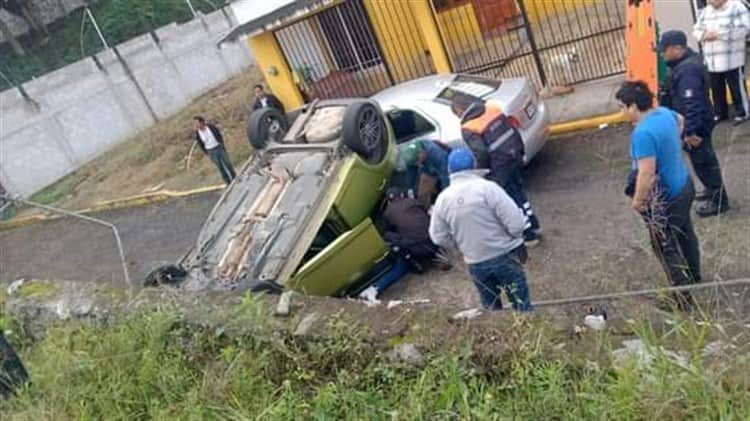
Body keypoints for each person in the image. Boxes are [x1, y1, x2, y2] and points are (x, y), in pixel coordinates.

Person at [617, 81, 701, 310]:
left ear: (633, 106)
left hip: (667, 199)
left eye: (622, 107)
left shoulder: (642, 133)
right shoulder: (663, 113)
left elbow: (646, 172)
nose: (621, 112)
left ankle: (683, 301)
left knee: (665, 247)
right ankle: (695, 278)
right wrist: (673, 143)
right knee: (686, 234)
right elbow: (681, 121)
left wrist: (638, 201)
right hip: (684, 185)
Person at [429, 148, 532, 312]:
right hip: (505, 255)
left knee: (491, 309)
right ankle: (529, 333)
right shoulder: (488, 188)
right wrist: (513, 239)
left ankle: (497, 336)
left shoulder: (443, 199)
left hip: (475, 263)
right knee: (522, 306)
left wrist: (460, 246)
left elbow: (438, 237)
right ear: (473, 166)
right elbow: (516, 224)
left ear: (449, 169)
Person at [451, 94, 542, 246]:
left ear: (460, 110)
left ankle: (528, 235)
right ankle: (533, 223)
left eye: (456, 114)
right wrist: (521, 152)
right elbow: (513, 130)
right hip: (515, 154)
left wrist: (481, 173)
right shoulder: (492, 108)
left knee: (509, 200)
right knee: (518, 192)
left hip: (500, 165)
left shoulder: (468, 127)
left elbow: (481, 153)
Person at [659, 30, 731, 216]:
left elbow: (692, 103)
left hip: (697, 125)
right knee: (701, 161)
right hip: (697, 122)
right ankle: (712, 190)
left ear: (678, 48)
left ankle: (719, 201)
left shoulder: (688, 70)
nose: (662, 53)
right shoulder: (683, 64)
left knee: (704, 161)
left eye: (665, 49)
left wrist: (691, 132)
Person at [693, 0, 750, 123]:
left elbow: (744, 29)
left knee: (736, 87)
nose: (709, 1)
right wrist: (702, 35)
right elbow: (696, 29)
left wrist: (719, 35)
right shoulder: (706, 11)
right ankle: (720, 113)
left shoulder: (737, 7)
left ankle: (742, 112)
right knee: (716, 89)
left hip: (732, 58)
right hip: (712, 60)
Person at [381, 187, 439, 272]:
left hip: (417, 248)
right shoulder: (412, 201)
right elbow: (426, 212)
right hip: (435, 239)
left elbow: (387, 229)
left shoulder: (387, 213)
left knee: (387, 236)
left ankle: (412, 262)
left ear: (389, 201)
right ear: (402, 195)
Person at [193, 116, 236, 185]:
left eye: (197, 123)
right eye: (195, 124)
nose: (196, 125)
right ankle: (228, 181)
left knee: (228, 163)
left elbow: (218, 134)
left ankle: (234, 177)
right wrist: (207, 152)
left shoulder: (210, 127)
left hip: (218, 147)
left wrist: (221, 143)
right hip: (211, 151)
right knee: (220, 167)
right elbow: (201, 144)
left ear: (201, 122)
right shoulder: (197, 134)